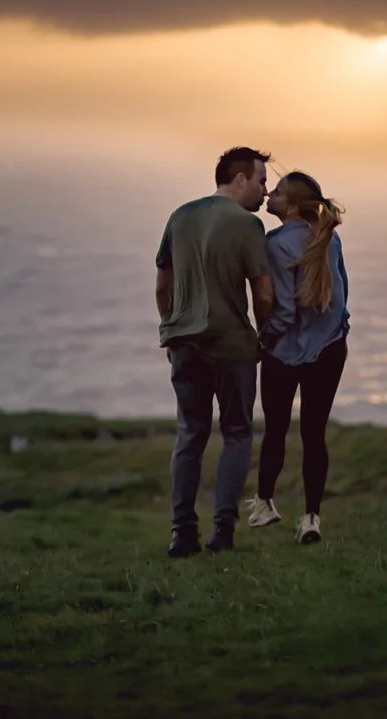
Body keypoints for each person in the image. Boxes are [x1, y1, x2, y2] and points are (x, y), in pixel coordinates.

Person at [155, 146, 275, 557]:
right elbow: (262, 292)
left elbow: (162, 285)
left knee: (189, 435)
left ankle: (181, 534)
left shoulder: (180, 216)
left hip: (184, 342)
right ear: (241, 179)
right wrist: (265, 335)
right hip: (232, 345)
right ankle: (223, 531)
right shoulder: (247, 225)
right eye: (261, 181)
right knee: (237, 433)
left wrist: (170, 329)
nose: (265, 190)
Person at [247, 171, 350, 545]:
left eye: (274, 192)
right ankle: (311, 519)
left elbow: (285, 311)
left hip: (286, 352)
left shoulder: (275, 244)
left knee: (275, 430)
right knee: (314, 433)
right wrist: (339, 331)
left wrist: (260, 342)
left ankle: (264, 504)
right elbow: (342, 296)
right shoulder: (329, 238)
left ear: (289, 206)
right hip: (330, 348)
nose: (268, 196)